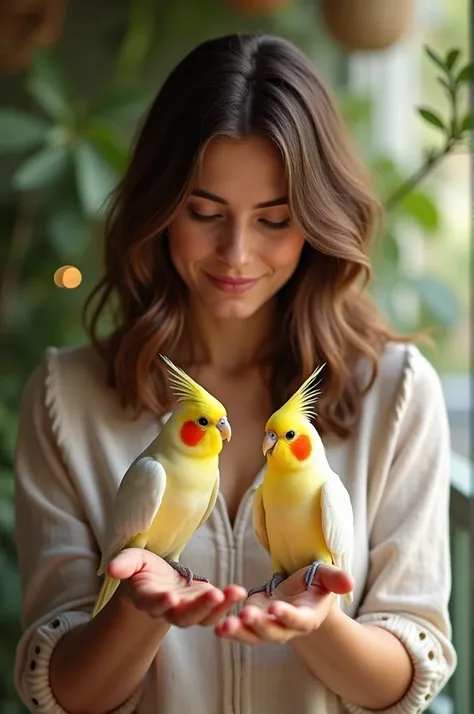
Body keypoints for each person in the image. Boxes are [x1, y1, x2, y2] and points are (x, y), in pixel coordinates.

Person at [14, 32, 456, 714]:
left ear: (317, 219)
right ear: (160, 208)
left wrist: (319, 623)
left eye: (275, 219)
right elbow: (64, 692)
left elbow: (410, 672)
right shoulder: (67, 398)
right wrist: (139, 607)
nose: (237, 253)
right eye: (204, 212)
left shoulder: (394, 394)